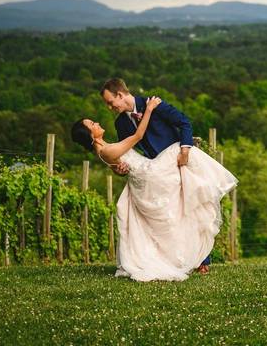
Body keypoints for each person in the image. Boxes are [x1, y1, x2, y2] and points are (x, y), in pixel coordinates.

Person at [71, 97, 237, 282]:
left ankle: (202, 188)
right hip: (149, 173)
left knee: (184, 164)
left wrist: (119, 169)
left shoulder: (104, 149)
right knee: (179, 148)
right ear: (90, 135)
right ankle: (212, 184)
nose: (98, 122)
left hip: (145, 172)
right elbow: (137, 137)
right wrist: (149, 109)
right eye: (92, 124)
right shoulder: (106, 150)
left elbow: (119, 167)